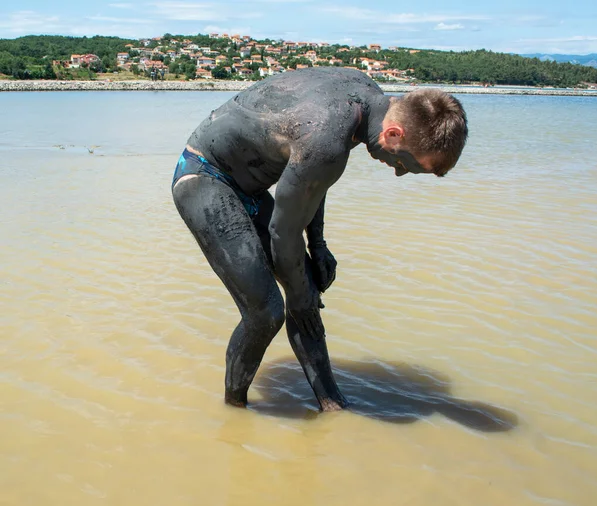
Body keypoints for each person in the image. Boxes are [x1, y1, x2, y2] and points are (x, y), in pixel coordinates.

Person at [171, 67, 468, 412]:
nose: (400, 172)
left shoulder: (365, 97)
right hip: (205, 176)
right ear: (394, 133)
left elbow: (312, 178)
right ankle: (234, 410)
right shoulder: (329, 134)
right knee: (266, 311)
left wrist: (318, 244)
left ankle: (332, 403)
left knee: (305, 285)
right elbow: (284, 228)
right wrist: (301, 293)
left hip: (249, 184)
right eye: (406, 164)